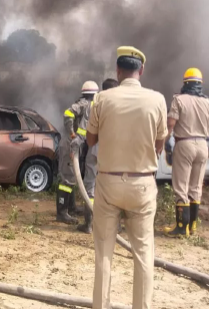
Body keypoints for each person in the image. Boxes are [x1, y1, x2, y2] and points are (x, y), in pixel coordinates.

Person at [86, 46, 167, 308]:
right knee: (144, 255)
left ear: (118, 71)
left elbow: (90, 139)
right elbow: (160, 142)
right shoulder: (157, 100)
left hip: (108, 183)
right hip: (142, 184)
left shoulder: (102, 99)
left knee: (103, 255)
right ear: (141, 71)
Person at [164, 68, 209, 238]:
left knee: (181, 186)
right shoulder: (207, 102)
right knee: (196, 186)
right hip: (203, 145)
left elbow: (170, 125)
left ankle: (181, 227)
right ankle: (193, 227)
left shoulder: (179, 100)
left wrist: (164, 143)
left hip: (185, 144)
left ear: (185, 83)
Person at [75, 78, 119, 234]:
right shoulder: (123, 106)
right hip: (115, 153)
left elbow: (86, 130)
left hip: (96, 150)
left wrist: (78, 143)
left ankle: (89, 224)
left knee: (90, 187)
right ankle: (113, 226)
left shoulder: (96, 105)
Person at [56, 80, 99, 224]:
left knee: (73, 176)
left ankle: (71, 207)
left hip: (75, 145)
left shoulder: (87, 104)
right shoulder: (85, 104)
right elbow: (68, 113)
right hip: (70, 144)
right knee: (67, 179)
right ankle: (62, 212)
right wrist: (72, 133)